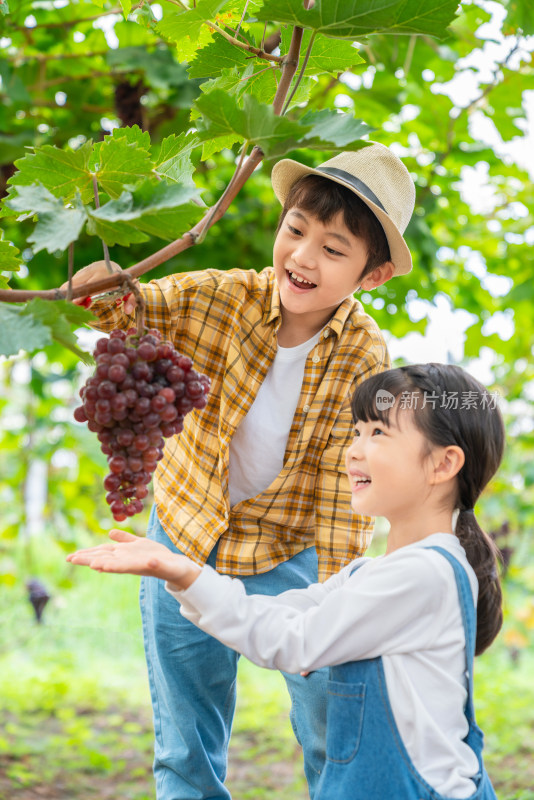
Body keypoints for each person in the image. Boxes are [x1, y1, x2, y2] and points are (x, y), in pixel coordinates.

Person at [64, 142, 416, 799]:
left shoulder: (366, 355)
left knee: (331, 726)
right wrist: (100, 283)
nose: (303, 257)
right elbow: (131, 308)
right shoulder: (223, 298)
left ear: (374, 275)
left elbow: (345, 488)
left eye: (334, 249)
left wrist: (339, 609)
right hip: (186, 535)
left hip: (294, 554)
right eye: (296, 230)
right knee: (185, 745)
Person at [67, 362, 504, 800]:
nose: (353, 451)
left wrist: (185, 572)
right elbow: (283, 611)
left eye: (378, 434)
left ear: (444, 463)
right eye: (356, 432)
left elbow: (294, 642)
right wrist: (183, 574)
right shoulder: (372, 572)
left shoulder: (421, 576)